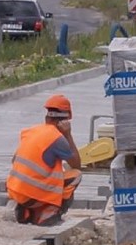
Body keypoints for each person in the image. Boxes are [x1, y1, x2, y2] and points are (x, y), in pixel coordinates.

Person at [6, 94, 82, 226]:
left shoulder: (31, 131)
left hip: (15, 191)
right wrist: (68, 135)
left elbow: (14, 160)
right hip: (33, 195)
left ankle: (28, 212)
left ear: (47, 117)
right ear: (64, 121)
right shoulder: (56, 138)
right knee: (76, 175)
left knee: (51, 172)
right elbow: (76, 164)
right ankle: (48, 214)